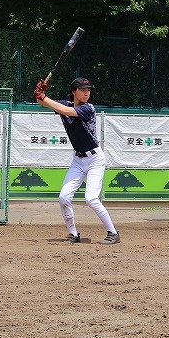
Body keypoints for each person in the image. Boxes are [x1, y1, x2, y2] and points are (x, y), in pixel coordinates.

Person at [33, 77, 120, 245]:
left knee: (91, 199)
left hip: (94, 160)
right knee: (64, 197)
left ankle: (113, 233)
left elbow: (63, 110)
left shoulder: (88, 108)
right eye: (82, 90)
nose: (86, 93)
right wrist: (39, 94)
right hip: (78, 160)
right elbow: (44, 102)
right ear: (74, 91)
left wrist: (43, 96)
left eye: (88, 90)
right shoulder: (66, 104)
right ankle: (73, 234)